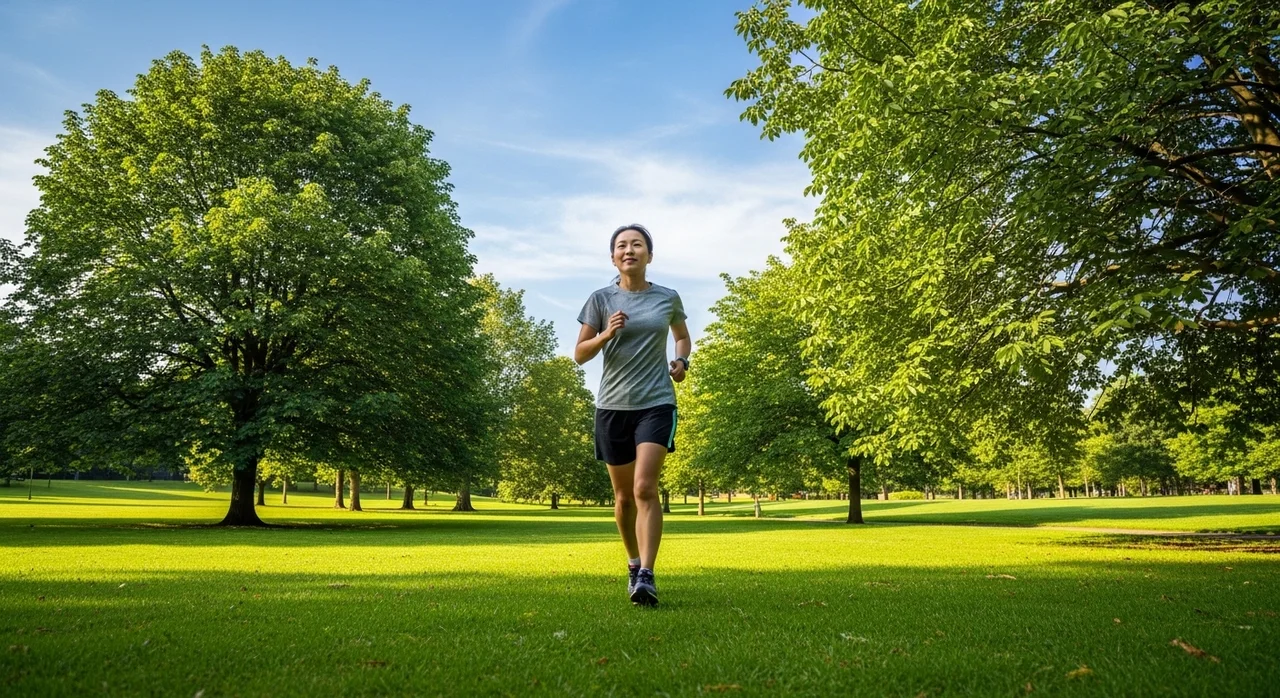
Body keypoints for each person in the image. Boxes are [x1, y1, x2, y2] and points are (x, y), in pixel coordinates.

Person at [574, 223, 691, 607]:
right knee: (624, 498)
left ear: (649, 255)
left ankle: (647, 576)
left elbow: (682, 336)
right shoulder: (600, 299)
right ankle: (633, 562)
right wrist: (606, 334)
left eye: (637, 244)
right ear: (613, 257)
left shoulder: (667, 298)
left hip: (656, 403)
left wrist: (681, 361)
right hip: (612, 407)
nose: (629, 250)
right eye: (622, 245)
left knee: (644, 488)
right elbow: (580, 354)